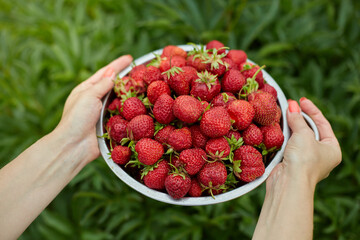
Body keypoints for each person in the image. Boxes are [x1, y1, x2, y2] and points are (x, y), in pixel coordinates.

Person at [0, 55, 341, 240]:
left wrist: (66, 145)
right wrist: (300, 179)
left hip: (201, 140)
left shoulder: (226, 108)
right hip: (180, 137)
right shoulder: (167, 120)